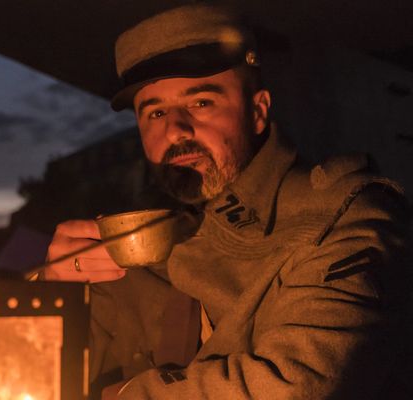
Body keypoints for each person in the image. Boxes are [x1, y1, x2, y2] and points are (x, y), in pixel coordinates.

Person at [43, 4, 412, 399]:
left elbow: (296, 385)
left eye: (201, 103)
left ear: (258, 111)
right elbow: (39, 379)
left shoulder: (345, 217)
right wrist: (51, 298)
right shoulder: (132, 246)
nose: (176, 130)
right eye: (156, 112)